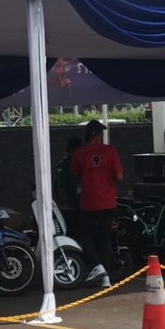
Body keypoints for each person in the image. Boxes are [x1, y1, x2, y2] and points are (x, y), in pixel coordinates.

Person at [69, 120, 124, 285]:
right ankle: (105, 276)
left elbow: (74, 174)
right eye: (101, 133)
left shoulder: (79, 153)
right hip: (108, 201)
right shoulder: (110, 151)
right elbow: (119, 176)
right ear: (97, 135)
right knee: (105, 237)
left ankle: (97, 266)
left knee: (85, 236)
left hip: (89, 202)